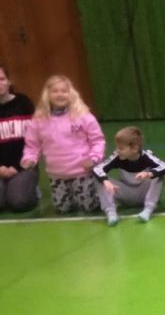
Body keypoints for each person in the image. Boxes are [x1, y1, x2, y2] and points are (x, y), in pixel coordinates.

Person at [20, 75, 105, 214]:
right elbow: (32, 145)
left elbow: (98, 141)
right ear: (47, 95)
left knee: (88, 207)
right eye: (55, 91)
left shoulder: (83, 116)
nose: (60, 94)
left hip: (82, 172)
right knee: (62, 209)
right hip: (57, 174)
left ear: (71, 94)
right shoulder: (38, 120)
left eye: (64, 91)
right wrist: (29, 159)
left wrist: (94, 158)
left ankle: (97, 189)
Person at [94, 126, 165, 225]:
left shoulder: (146, 156)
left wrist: (148, 173)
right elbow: (97, 169)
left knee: (158, 176)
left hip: (144, 193)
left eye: (121, 148)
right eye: (117, 147)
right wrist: (105, 181)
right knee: (100, 178)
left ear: (135, 149)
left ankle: (148, 209)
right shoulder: (117, 157)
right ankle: (111, 213)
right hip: (126, 193)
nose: (117, 150)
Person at [0, 65, 39, 212]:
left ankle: (29, 188)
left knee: (19, 202)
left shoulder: (23, 102)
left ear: (9, 81)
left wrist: (17, 166)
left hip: (23, 165)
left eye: (2, 79)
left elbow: (33, 141)